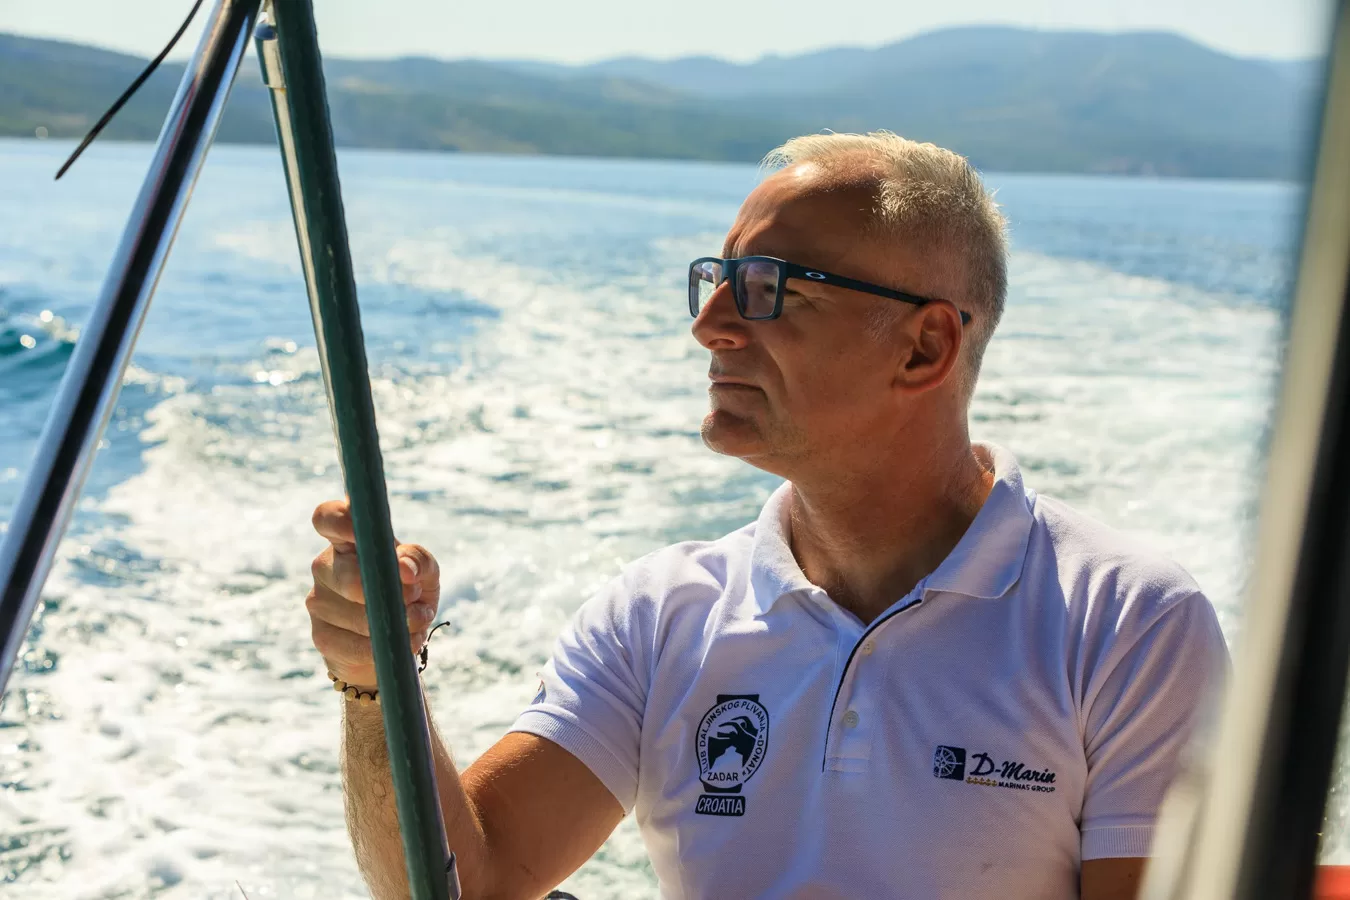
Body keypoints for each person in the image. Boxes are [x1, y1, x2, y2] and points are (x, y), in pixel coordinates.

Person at [306, 131, 1229, 900]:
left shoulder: (1129, 624)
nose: (710, 323)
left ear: (924, 347)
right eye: (717, 278)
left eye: (768, 286)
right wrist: (373, 684)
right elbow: (466, 883)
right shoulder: (661, 616)